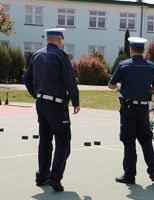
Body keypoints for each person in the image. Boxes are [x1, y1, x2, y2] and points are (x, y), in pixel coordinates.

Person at [22, 28, 80, 192]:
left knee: (45, 140)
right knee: (63, 140)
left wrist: (36, 93)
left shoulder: (36, 55)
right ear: (60, 40)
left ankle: (41, 177)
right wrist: (75, 101)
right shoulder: (61, 56)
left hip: (41, 104)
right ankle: (54, 177)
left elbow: (26, 78)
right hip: (57, 105)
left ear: (48, 39)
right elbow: (70, 81)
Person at [108, 36, 154, 184]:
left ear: (131, 50)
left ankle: (130, 175)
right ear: (143, 51)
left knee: (129, 142)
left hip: (128, 108)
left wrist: (120, 87)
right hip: (144, 108)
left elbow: (111, 85)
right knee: (146, 141)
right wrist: (145, 88)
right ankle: (153, 171)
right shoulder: (152, 67)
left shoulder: (124, 65)